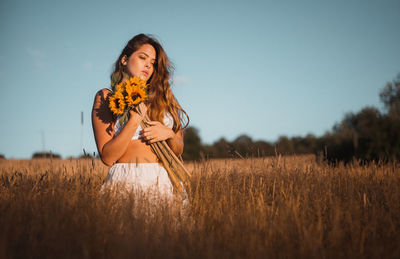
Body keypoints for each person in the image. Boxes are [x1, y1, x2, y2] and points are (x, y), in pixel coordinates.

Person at [91, 34, 188, 199]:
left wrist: (169, 135)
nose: (148, 66)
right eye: (142, 57)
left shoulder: (165, 98)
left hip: (164, 181)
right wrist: (135, 119)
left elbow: (179, 149)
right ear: (124, 59)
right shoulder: (107, 97)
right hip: (128, 180)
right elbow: (107, 157)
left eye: (152, 63)